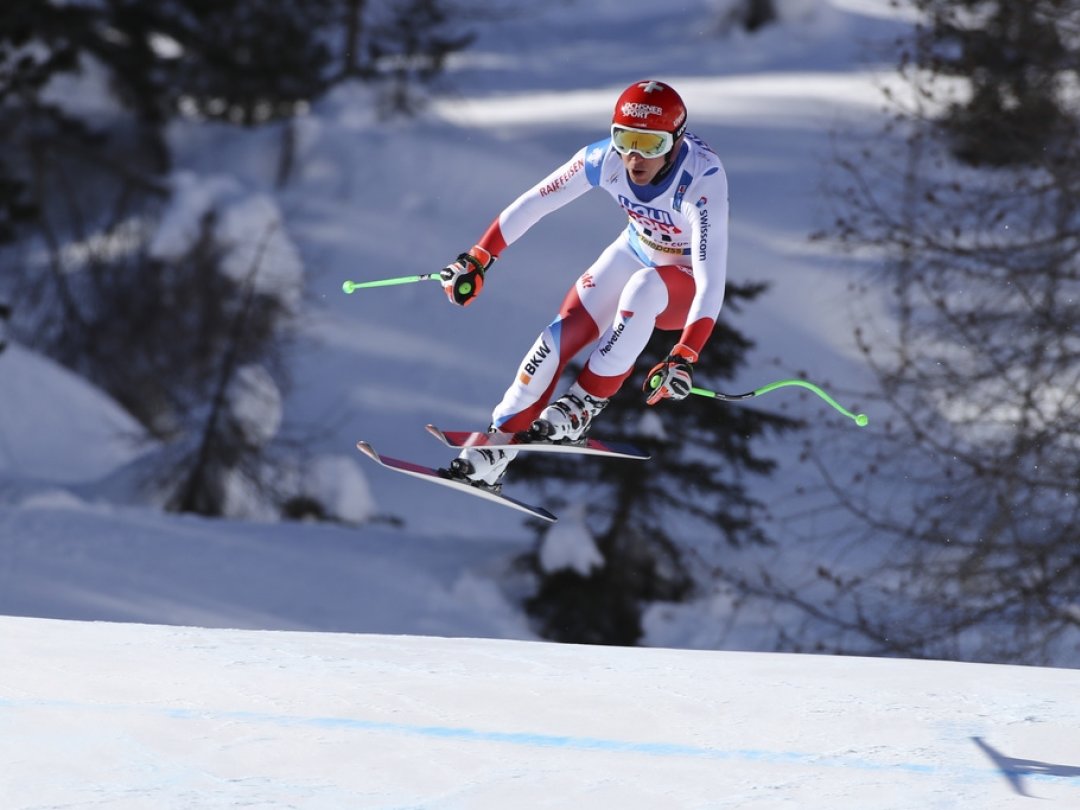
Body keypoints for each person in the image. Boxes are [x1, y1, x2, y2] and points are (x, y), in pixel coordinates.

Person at [439, 79, 729, 490]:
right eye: (625, 139)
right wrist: (480, 257)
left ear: (676, 142)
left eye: (651, 146)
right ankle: (495, 448)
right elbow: (536, 201)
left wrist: (685, 353)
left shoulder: (702, 181)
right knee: (555, 340)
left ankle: (583, 404)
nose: (634, 157)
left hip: (681, 281)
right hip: (636, 248)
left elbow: (711, 281)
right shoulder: (603, 158)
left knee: (644, 288)